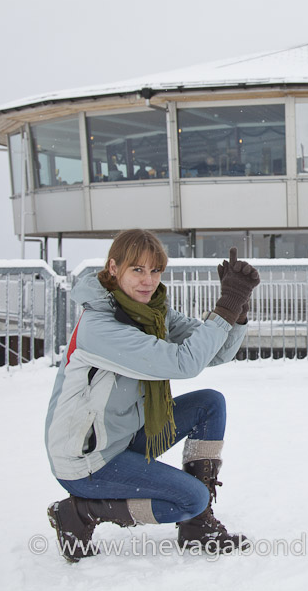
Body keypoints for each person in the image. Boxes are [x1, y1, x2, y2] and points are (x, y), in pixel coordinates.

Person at [44, 230, 260, 562]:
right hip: (87, 461)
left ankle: (196, 527)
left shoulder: (153, 314)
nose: (148, 280)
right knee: (189, 498)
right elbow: (184, 362)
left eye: (156, 270)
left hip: (124, 437)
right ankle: (82, 511)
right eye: (138, 270)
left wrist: (237, 310)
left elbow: (213, 354)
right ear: (114, 269)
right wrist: (224, 307)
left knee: (209, 404)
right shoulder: (100, 328)